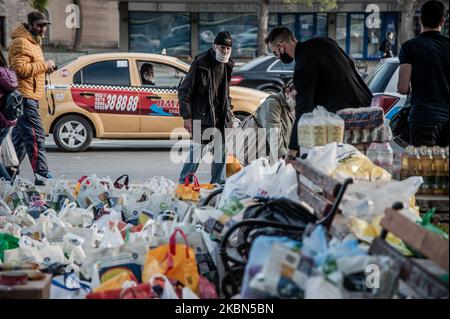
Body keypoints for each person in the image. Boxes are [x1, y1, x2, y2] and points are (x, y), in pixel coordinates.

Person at [265, 27, 373, 160]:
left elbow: (304, 113)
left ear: (281, 46)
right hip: (367, 108)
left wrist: (291, 152)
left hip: (346, 122)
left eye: (275, 53)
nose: (278, 57)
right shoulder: (325, 42)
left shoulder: (302, 66)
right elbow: (349, 65)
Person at [178, 31, 234, 184]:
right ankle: (184, 183)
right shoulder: (201, 62)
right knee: (196, 152)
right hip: (200, 115)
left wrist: (229, 110)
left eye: (228, 48)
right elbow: (185, 90)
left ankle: (217, 185)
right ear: (215, 46)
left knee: (221, 152)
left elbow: (226, 90)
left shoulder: (228, 64)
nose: (226, 51)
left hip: (220, 116)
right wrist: (187, 117)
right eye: (223, 48)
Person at [8, 11, 56, 185]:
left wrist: (45, 68)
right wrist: (44, 65)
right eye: (39, 25)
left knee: (19, 141)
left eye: (44, 25)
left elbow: (31, 68)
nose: (43, 29)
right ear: (31, 25)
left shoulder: (33, 42)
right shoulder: (21, 42)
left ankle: (6, 172)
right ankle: (42, 175)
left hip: (29, 95)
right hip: (24, 97)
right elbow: (19, 69)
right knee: (36, 136)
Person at [398, 0, 449, 147]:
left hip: (423, 117)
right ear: (442, 20)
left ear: (420, 19)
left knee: (423, 167)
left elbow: (402, 88)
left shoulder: (409, 47)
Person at [254, 80, 296, 159]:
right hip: (263, 159)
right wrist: (285, 160)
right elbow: (274, 137)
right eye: (296, 96)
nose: (299, 99)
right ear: (287, 92)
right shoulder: (273, 103)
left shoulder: (296, 107)